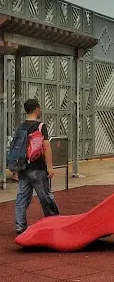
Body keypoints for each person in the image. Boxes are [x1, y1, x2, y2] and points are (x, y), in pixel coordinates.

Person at [13, 99, 59, 235]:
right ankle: (55, 222)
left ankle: (20, 225)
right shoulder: (40, 126)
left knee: (21, 198)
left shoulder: (21, 127)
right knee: (45, 196)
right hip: (37, 167)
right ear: (36, 109)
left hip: (23, 168)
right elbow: (46, 147)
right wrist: (50, 167)